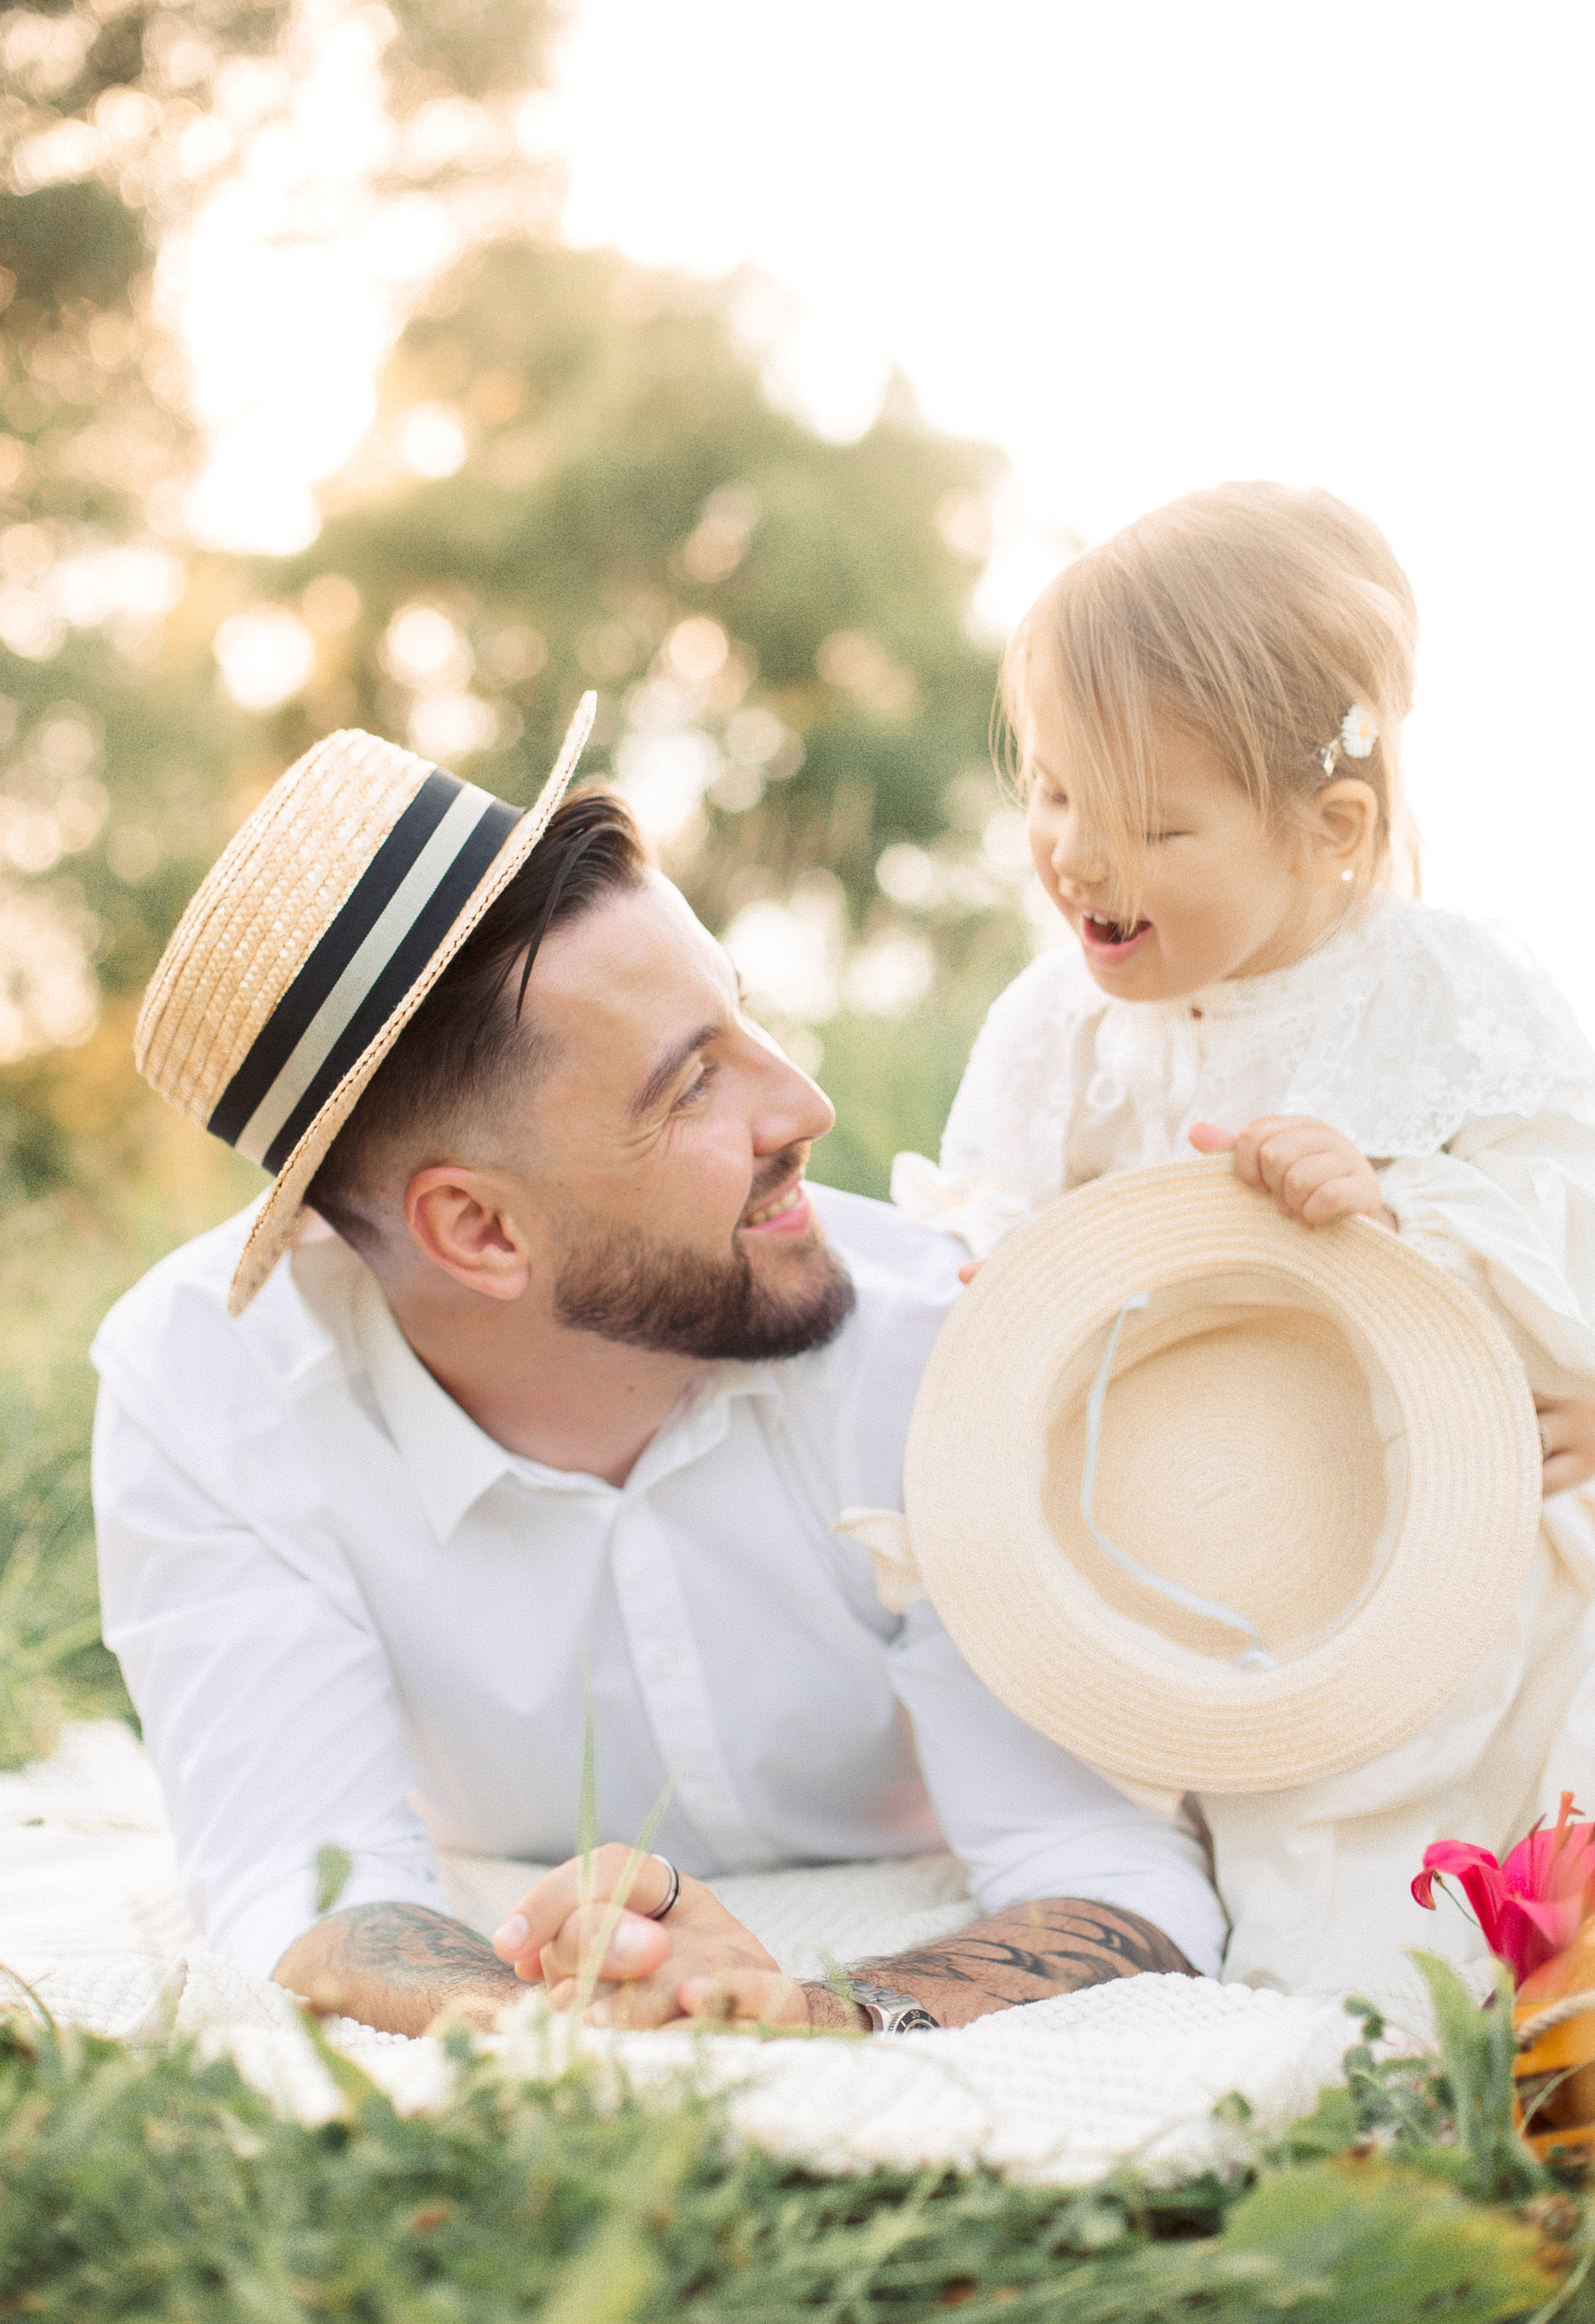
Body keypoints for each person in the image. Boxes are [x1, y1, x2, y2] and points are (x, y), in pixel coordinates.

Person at [92, 728, 1227, 2040]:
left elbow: (1113, 1877)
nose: (802, 1103)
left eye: (741, 1017)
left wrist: (800, 2013)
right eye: (691, 1083)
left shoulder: (943, 1337)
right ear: (481, 1233)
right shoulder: (205, 1392)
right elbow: (298, 1878)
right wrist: (550, 2026)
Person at [893, 481, 1595, 1986]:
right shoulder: (1055, 1031)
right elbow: (995, 1246)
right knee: (1184, 1837)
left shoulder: (1444, 993)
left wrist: (1398, 1205)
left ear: (1328, 832)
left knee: (1440, 1863)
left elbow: (1561, 1218)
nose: (1073, 856)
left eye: (1150, 822)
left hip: (1430, 1545)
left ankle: (1471, 2005)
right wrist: (996, 1290)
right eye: (1053, 791)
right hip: (1171, 1538)